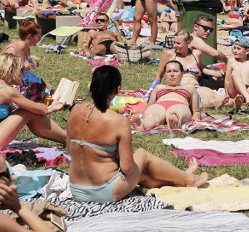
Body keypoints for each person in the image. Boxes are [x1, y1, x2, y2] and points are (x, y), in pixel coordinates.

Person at [67, 66, 207, 204]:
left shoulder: (75, 111)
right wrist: (136, 162)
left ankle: (181, 179)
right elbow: (127, 168)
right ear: (118, 89)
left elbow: (69, 148)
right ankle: (190, 179)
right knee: (142, 154)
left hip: (76, 189)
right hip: (105, 192)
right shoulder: (118, 121)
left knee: (144, 177)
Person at [0, 54, 65, 154]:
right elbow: (39, 109)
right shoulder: (6, 90)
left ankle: (68, 138)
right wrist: (50, 107)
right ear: (12, 70)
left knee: (27, 110)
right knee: (28, 111)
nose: (24, 74)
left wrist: (43, 107)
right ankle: (69, 139)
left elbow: (15, 111)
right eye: (21, 70)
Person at [155, 30, 230, 109]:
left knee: (219, 97)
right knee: (201, 100)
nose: (175, 45)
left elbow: (201, 68)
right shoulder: (170, 55)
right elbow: (159, 75)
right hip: (180, 87)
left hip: (196, 86)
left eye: (178, 43)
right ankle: (214, 104)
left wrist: (213, 72)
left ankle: (235, 102)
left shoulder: (196, 54)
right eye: (174, 42)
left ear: (187, 43)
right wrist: (156, 92)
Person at [130, 60, 200, 130]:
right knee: (153, 114)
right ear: (165, 75)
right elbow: (149, 106)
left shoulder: (190, 88)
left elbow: (196, 111)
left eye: (175, 71)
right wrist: (145, 115)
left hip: (179, 104)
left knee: (177, 112)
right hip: (159, 105)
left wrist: (196, 116)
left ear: (182, 74)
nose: (172, 74)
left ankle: (174, 123)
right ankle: (143, 125)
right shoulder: (159, 87)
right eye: (169, 71)